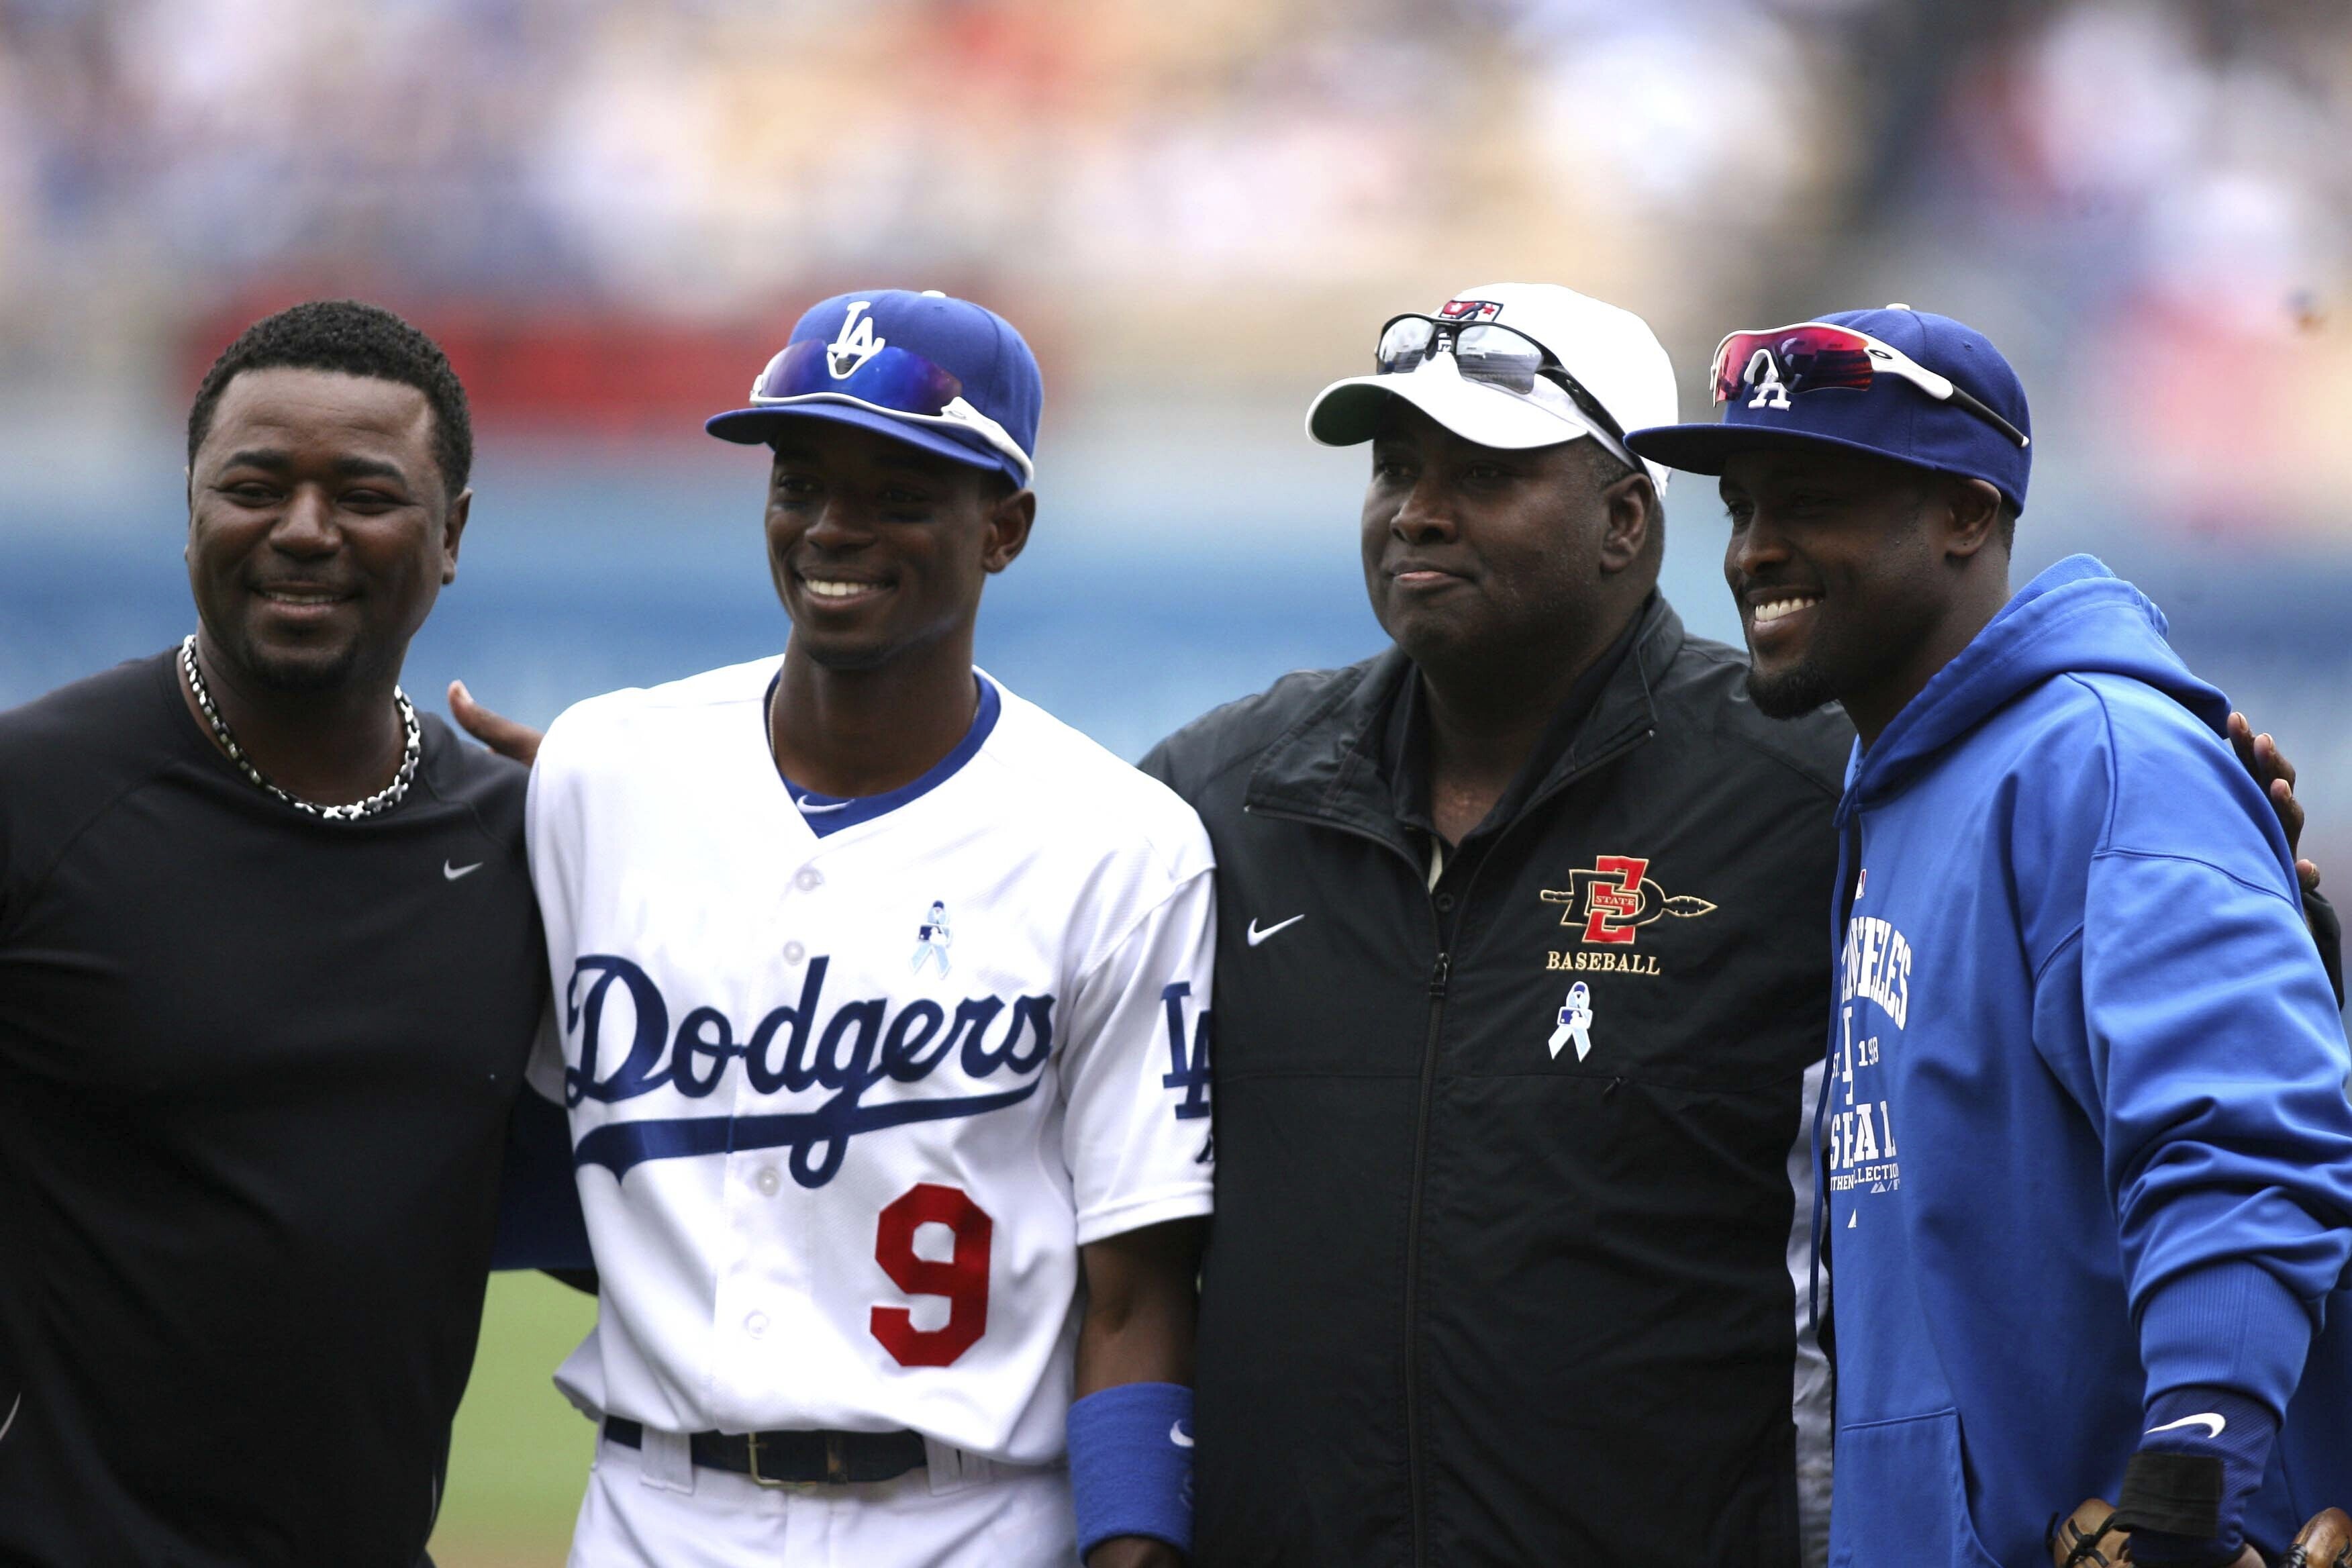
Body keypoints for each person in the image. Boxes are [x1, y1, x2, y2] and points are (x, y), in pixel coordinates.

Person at [1136, 283, 1853, 1566]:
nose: (1417, 508)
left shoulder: (1810, 795)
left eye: (1482, 472)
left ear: (1624, 518)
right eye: (1396, 468)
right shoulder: (1217, 796)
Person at [496, 289, 1215, 1567]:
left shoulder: (1122, 843)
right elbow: (558, 1173)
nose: (833, 526)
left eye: (898, 493)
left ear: (1005, 528)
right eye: (801, 478)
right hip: (652, 1512)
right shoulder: (601, 777)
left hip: (975, 1515)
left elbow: (1136, 1293)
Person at [1626, 306, 2352, 1566]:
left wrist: (2190, 1476)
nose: (1754, 549)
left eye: (1810, 498)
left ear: (1967, 512)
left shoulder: (2100, 756)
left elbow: (2242, 1141)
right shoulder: (1900, 788)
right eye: (1741, 506)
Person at [0, 301, 550, 1566]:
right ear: (190, 511)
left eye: (364, 494)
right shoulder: (38, 803)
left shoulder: (529, 844)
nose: (304, 533)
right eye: (254, 486)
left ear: (453, 534)